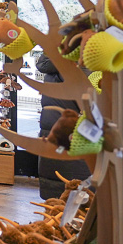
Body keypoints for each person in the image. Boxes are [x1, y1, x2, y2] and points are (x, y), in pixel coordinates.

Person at [35, 53, 89, 199]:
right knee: (78, 194)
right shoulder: (83, 69)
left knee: (54, 198)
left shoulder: (51, 69)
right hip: (74, 139)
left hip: (51, 134)